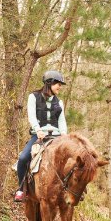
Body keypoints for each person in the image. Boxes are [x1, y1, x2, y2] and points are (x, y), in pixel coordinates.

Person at [14, 70, 68, 202]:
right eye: (57, 84)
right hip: (39, 136)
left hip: (56, 137)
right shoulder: (33, 97)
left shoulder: (59, 102)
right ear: (49, 83)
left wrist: (65, 136)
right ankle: (21, 189)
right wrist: (37, 130)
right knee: (23, 159)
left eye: (60, 84)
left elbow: (62, 122)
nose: (59, 87)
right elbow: (31, 116)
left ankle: (70, 190)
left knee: (72, 161)